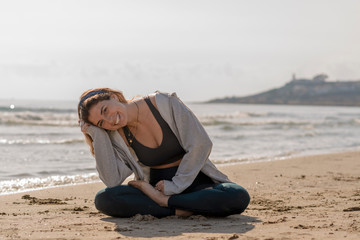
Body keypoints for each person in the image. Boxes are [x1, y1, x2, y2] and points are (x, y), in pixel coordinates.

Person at [78, 88, 250, 218]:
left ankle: (167, 206)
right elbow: (112, 180)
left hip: (196, 183)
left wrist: (172, 189)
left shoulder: (164, 103)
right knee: (104, 198)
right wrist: (98, 135)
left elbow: (200, 144)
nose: (109, 120)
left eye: (105, 110)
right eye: (101, 122)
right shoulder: (116, 135)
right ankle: (183, 209)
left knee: (238, 195)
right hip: (157, 188)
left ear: (114, 97)